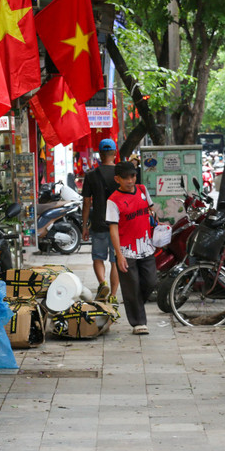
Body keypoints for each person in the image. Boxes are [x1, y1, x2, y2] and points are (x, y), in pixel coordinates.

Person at [106, 161, 157, 335]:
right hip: (127, 250)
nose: (130, 180)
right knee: (131, 286)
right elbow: (113, 229)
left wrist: (159, 224)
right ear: (117, 179)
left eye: (133, 176)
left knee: (151, 282)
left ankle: (135, 305)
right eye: (126, 177)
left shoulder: (142, 190)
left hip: (147, 246)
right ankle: (138, 322)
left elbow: (151, 210)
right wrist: (118, 255)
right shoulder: (113, 201)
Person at [82, 139, 120, 302]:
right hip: (117, 224)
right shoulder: (121, 174)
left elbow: (86, 201)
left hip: (98, 222)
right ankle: (112, 295)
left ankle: (102, 282)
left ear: (99, 154)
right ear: (115, 153)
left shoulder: (91, 175)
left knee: (98, 257)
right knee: (115, 260)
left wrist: (84, 225)